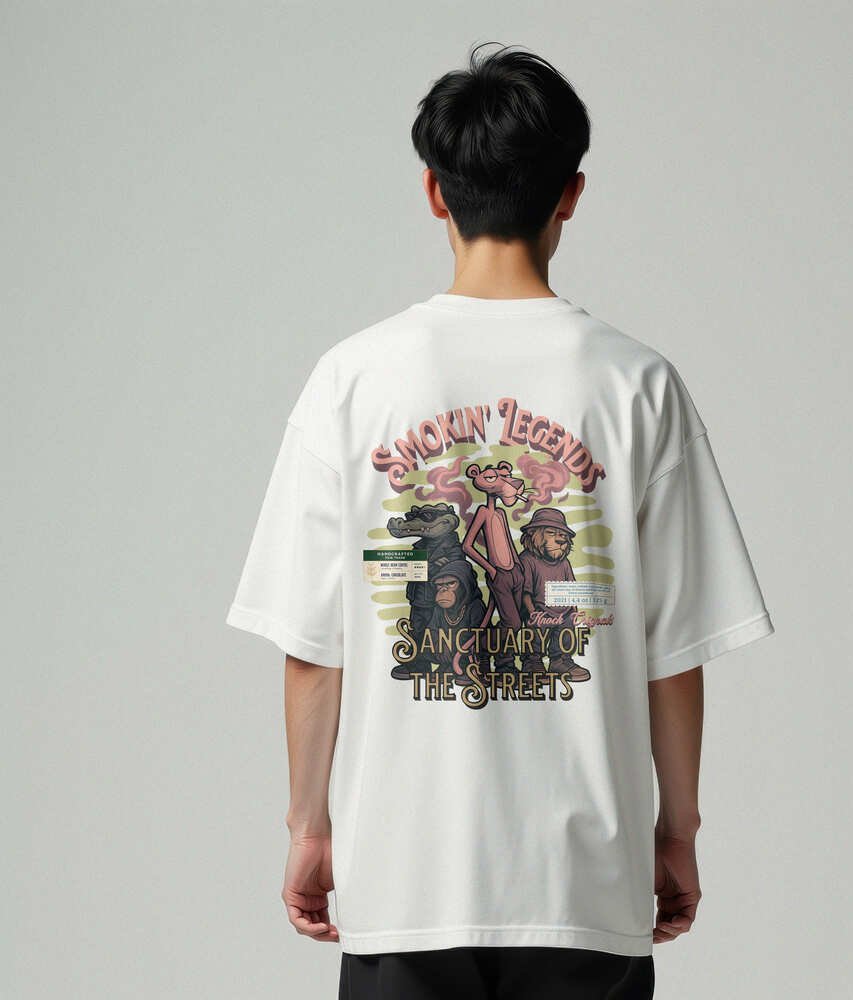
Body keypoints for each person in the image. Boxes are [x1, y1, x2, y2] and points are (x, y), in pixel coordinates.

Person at [227, 42, 773, 1000]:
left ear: (434, 193)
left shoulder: (350, 381)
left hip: (405, 882)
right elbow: (673, 653)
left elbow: (314, 650)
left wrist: (310, 827)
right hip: (584, 888)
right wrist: (677, 831)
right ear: (572, 194)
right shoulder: (637, 385)